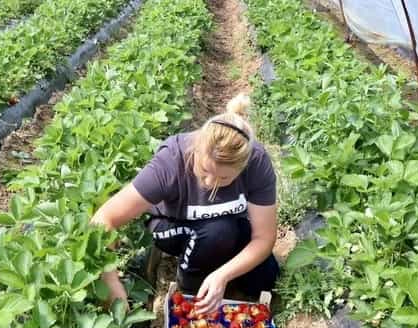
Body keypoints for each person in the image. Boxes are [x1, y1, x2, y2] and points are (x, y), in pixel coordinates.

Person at [90, 93, 279, 314]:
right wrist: (111, 280)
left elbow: (264, 238)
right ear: (196, 148)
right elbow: (103, 219)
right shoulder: (171, 161)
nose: (210, 183)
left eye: (225, 179)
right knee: (219, 232)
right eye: (205, 171)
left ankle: (216, 270)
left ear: (243, 166)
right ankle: (190, 287)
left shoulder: (256, 162)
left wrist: (223, 275)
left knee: (265, 278)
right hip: (172, 225)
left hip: (225, 226)